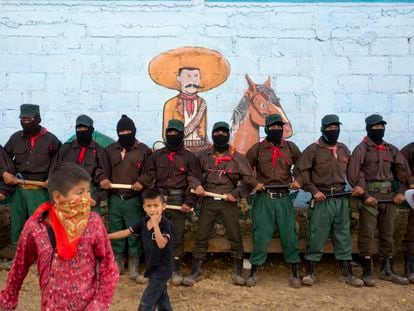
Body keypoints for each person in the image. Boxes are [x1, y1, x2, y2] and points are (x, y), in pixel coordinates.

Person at [0, 163, 119, 310]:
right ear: (57, 197)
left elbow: (109, 266)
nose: (87, 198)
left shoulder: (93, 223)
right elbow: (20, 264)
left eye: (88, 192)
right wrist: (8, 299)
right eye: (80, 192)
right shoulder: (36, 226)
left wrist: (99, 303)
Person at [182, 121, 260, 287]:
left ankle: (238, 271)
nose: (220, 136)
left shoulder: (238, 158)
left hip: (228, 202)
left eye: (224, 133)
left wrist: (236, 193)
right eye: (217, 133)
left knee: (235, 235)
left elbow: (248, 180)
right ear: (212, 134)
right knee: (201, 235)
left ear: (228, 135)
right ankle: (196, 270)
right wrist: (197, 186)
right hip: (208, 201)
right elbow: (192, 175)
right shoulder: (203, 156)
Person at [293, 114, 363, 287]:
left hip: (340, 198)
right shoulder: (313, 150)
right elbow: (301, 172)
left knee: (343, 235)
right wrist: (313, 190)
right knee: (317, 235)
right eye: (330, 128)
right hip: (322, 199)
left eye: (336, 128)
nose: (333, 131)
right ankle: (311, 272)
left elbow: (355, 171)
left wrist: (359, 185)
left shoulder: (343, 149)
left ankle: (347, 273)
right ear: (322, 129)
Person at [347, 114, 414, 286]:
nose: (379, 130)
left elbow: (403, 171)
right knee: (367, 234)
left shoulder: (390, 149)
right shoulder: (361, 149)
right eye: (375, 127)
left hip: (390, 198)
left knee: (388, 234)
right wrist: (365, 195)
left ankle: (387, 270)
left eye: (381, 126)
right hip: (370, 198)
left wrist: (401, 191)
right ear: (368, 128)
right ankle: (367, 272)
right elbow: (354, 173)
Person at [140, 119, 201, 285]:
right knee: (154, 235)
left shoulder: (190, 157)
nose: (172, 136)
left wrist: (189, 202)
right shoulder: (156, 156)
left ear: (182, 135)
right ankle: (155, 270)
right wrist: (149, 202)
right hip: (159, 202)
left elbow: (194, 181)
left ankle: (175, 270)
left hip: (178, 202)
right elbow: (148, 178)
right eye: (170, 133)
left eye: (176, 133)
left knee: (176, 237)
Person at [244, 114, 302, 288]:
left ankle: (295, 272)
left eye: (279, 126)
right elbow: (245, 171)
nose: (276, 129)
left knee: (290, 235)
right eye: (273, 127)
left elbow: (303, 167)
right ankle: (254, 271)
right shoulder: (257, 149)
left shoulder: (291, 148)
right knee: (260, 235)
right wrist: (255, 183)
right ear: (267, 129)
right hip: (264, 199)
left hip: (284, 198)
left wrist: (298, 181)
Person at [2, 104, 61, 246]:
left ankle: (42, 252)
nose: (26, 123)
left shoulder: (51, 140)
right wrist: (4, 173)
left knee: (40, 223)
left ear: (38, 119)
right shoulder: (15, 138)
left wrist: (52, 178)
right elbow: (4, 158)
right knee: (18, 222)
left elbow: (59, 161)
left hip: (39, 190)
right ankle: (18, 251)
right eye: (23, 119)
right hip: (18, 189)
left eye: (29, 120)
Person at [104, 115, 153, 283]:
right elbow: (102, 169)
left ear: (134, 131)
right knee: (116, 229)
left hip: (133, 199)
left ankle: (134, 264)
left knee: (134, 232)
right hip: (115, 197)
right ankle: (118, 262)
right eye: (121, 131)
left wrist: (142, 182)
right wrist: (102, 178)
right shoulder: (110, 150)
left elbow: (150, 171)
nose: (125, 133)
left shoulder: (144, 150)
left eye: (128, 131)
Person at [108, 188, 173, 311]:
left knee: (146, 304)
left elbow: (161, 244)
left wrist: (155, 225)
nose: (152, 209)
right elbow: (127, 232)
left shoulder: (166, 225)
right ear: (144, 207)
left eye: (156, 205)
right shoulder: (143, 222)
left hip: (162, 270)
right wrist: (107, 236)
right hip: (152, 267)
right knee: (162, 299)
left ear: (163, 206)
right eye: (149, 206)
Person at [51, 114, 111, 214]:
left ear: (91, 129)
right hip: (67, 197)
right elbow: (54, 172)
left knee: (90, 227)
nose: (82, 130)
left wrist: (95, 198)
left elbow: (105, 179)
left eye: (85, 128)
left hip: (89, 198)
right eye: (79, 128)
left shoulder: (99, 151)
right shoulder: (66, 149)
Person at [401, 142, 414, 283]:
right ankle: (410, 267)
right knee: (412, 230)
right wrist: (410, 180)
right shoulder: (411, 148)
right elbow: (398, 166)